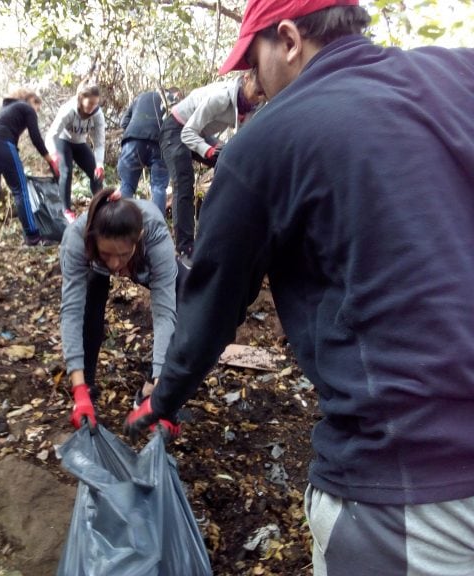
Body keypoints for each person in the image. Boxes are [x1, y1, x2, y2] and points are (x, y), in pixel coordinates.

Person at [124, 0, 474, 574]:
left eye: (253, 64)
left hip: (409, 488)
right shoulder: (456, 74)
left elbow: (211, 304)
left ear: (287, 40)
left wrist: (162, 400)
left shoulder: (266, 142)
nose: (252, 83)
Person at [60, 188, 178, 430]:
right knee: (90, 304)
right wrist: (79, 389)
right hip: (96, 263)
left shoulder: (154, 230)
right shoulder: (76, 237)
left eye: (121, 255)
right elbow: (71, 311)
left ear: (139, 238)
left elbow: (165, 312)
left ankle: (153, 386)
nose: (114, 264)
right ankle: (87, 384)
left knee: (186, 303)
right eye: (107, 254)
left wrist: (161, 396)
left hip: (141, 262)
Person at [160, 75, 261, 262]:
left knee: (230, 161)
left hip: (198, 133)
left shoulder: (251, 109)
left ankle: (221, 234)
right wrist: (207, 151)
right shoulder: (221, 97)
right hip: (176, 128)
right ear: (247, 78)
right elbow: (187, 133)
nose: (258, 98)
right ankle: (186, 248)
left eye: (263, 94)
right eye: (257, 91)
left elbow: (243, 142)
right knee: (184, 183)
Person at [0, 88, 60, 250]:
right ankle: (33, 238)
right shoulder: (26, 107)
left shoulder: (5, 110)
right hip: (1, 144)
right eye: (38, 107)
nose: (37, 111)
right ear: (31, 101)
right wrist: (51, 161)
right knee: (20, 190)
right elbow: (35, 137)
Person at [46, 82, 106, 223]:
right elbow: (51, 135)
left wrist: (100, 164)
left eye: (95, 103)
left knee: (96, 173)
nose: (92, 107)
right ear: (80, 98)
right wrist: (53, 154)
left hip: (79, 143)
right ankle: (66, 210)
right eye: (90, 103)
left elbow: (99, 143)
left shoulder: (98, 115)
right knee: (66, 171)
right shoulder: (68, 109)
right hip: (63, 140)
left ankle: (101, 208)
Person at [116, 88, 182, 215]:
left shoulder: (140, 97)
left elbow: (123, 122)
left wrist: (135, 133)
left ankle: (122, 224)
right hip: (160, 143)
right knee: (158, 187)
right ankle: (158, 226)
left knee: (127, 185)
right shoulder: (171, 100)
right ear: (175, 93)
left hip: (133, 140)